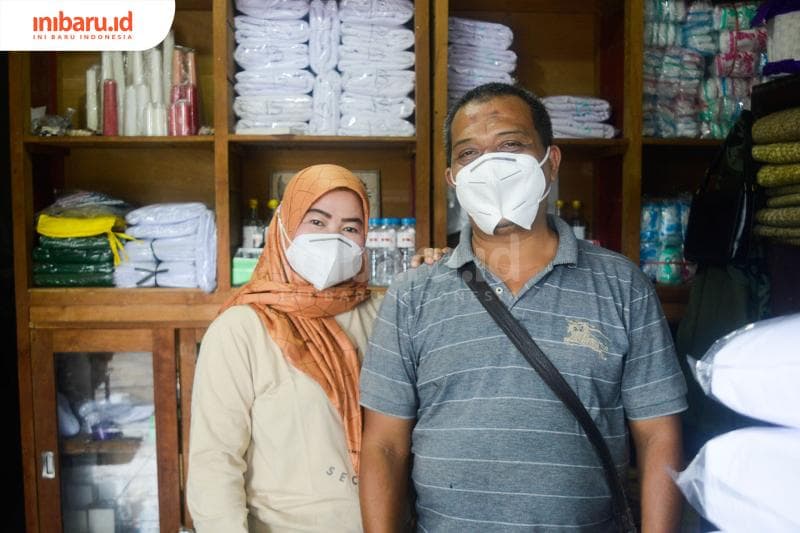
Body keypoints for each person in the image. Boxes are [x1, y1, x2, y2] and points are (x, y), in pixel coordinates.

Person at [359, 83, 688, 532]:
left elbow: (657, 436)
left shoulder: (623, 284)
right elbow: (384, 445)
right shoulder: (412, 293)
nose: (490, 166)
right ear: (453, 177)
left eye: (511, 145)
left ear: (550, 162)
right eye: (469, 153)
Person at [187, 164, 381, 532]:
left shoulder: (383, 316)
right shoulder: (240, 330)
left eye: (351, 227)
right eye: (318, 222)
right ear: (283, 227)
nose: (333, 237)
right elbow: (215, 462)